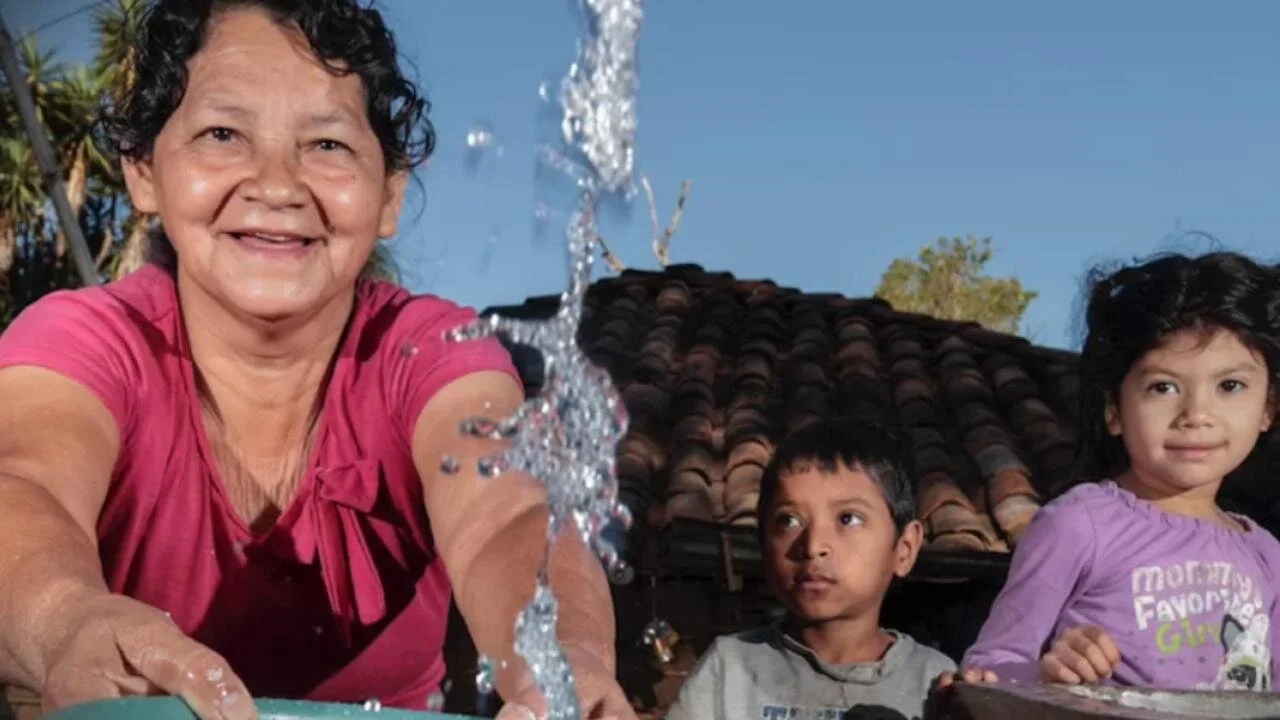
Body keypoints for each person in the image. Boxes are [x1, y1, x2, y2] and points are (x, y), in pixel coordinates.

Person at [0, 1, 634, 719]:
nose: (276, 185)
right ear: (145, 172)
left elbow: (509, 519)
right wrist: (66, 618)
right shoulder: (87, 342)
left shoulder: (430, 355)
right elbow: (24, 484)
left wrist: (562, 662)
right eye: (221, 134)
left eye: (327, 145)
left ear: (389, 193)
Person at [955, 251, 1280, 691]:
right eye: (1163, 387)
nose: (1196, 414)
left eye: (1230, 386)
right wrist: (1047, 672)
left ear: (1268, 407)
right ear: (1114, 409)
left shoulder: (1267, 556)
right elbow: (989, 667)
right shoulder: (1077, 525)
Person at [664, 418, 956, 720]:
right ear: (763, 544)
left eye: (848, 519)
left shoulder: (935, 683)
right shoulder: (728, 670)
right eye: (789, 520)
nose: (813, 545)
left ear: (905, 548)